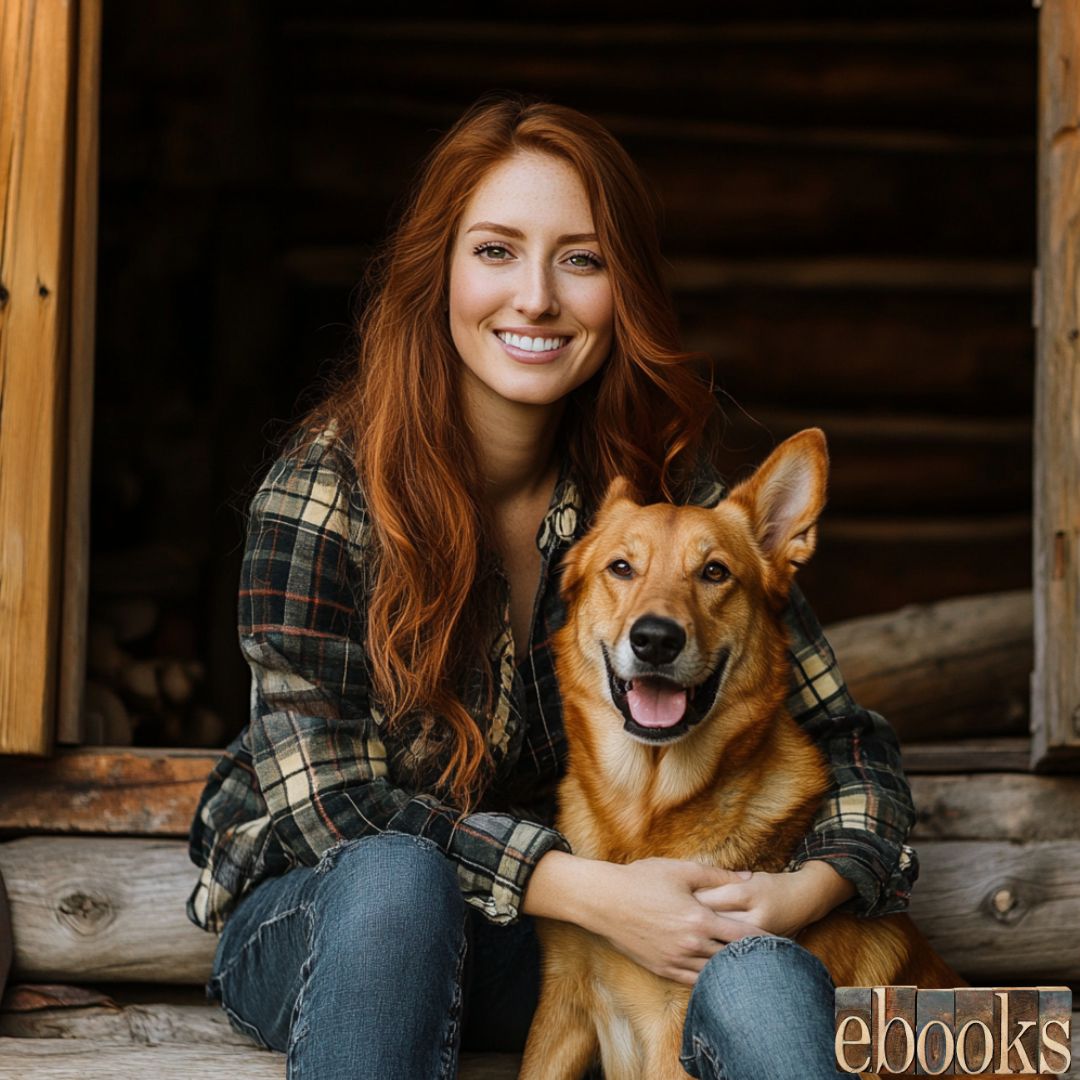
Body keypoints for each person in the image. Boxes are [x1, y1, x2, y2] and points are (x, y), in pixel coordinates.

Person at [186, 91, 919, 1080]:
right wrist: (583, 886)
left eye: (580, 259)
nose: (535, 296)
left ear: (622, 289)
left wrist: (809, 889)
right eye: (495, 251)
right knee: (399, 882)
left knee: (753, 974)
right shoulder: (327, 487)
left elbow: (845, 736)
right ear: (436, 272)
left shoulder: (658, 496)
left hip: (546, 936)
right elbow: (332, 807)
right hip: (323, 927)